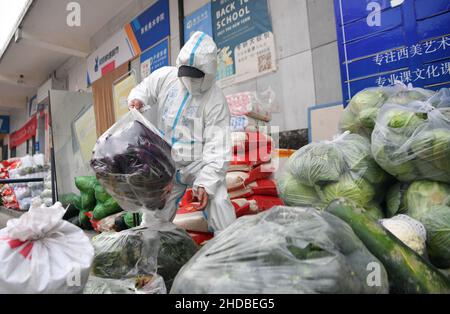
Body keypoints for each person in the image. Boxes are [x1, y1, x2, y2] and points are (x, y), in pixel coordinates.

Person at [127, 32, 236, 233]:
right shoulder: (166, 77)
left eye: (195, 77)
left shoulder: (215, 101)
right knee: (154, 214)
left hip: (198, 163)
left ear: (209, 74)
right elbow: (144, 89)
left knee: (218, 201)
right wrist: (138, 99)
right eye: (184, 74)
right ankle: (150, 253)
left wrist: (206, 183)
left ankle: (229, 250)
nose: (189, 81)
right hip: (167, 162)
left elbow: (217, 148)